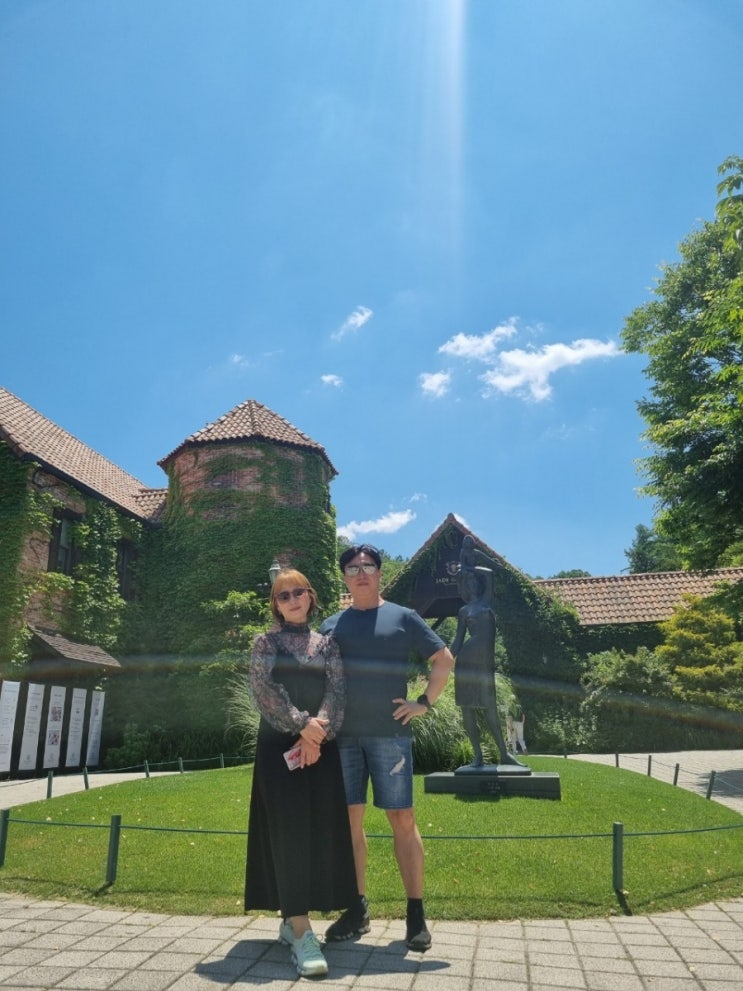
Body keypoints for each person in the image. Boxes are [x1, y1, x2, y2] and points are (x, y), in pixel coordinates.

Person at [320, 544, 455, 953]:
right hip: (342, 738)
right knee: (348, 822)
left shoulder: (404, 617)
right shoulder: (331, 625)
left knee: (402, 818)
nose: (361, 573)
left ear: (379, 573)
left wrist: (424, 702)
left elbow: (444, 659)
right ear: (344, 577)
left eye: (368, 566)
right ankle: (356, 909)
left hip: (390, 736)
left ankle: (415, 915)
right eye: (352, 568)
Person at [245, 568, 358, 979]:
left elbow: (337, 693)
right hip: (279, 751)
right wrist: (302, 726)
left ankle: (292, 923)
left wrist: (316, 734)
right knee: (288, 832)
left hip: (320, 750)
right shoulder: (265, 643)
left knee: (317, 831)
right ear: (276, 605)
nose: (292, 600)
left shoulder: (327, 645)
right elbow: (263, 692)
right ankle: (300, 930)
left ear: (310, 596)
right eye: (283, 595)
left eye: (298, 592)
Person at [450, 564, 522, 768]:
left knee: (490, 708)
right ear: (464, 587)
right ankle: (477, 756)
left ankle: (504, 754)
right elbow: (458, 640)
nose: (472, 584)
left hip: (484, 665)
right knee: (467, 710)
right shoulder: (464, 611)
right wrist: (444, 660)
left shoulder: (486, 601)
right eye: (468, 582)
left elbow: (489, 573)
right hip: (465, 662)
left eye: (474, 580)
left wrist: (468, 566)